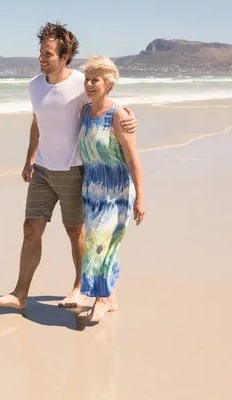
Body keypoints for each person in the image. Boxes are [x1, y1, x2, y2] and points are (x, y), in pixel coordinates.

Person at [0, 23, 138, 310]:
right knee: (31, 228)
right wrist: (30, 158)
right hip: (43, 169)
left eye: (48, 53)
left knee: (75, 232)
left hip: (73, 170)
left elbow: (105, 104)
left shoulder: (81, 84)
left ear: (64, 56)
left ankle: (80, 288)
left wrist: (130, 116)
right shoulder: (34, 85)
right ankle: (20, 294)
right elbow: (37, 122)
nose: (42, 58)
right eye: (41, 52)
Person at [77, 54, 145, 323]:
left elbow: (133, 159)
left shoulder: (119, 115)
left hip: (115, 192)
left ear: (109, 83)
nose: (89, 84)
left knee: (98, 244)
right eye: (87, 79)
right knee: (106, 245)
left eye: (95, 80)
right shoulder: (84, 111)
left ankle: (102, 300)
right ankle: (111, 298)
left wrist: (141, 197)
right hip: (91, 191)